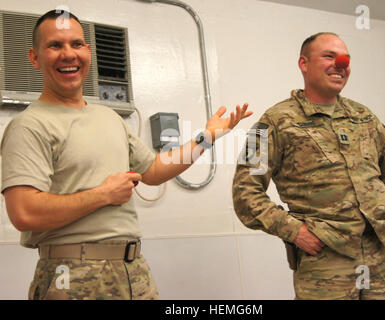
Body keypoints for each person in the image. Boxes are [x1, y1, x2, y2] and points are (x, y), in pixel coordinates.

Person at [0, 9, 252, 300]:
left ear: (88, 52)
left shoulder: (109, 117)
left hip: (133, 270)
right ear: (34, 57)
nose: (68, 54)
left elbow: (154, 171)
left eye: (76, 44)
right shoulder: (29, 125)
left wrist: (205, 138)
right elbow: (24, 212)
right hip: (70, 274)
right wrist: (103, 194)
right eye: (55, 45)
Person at [232, 32, 385, 300]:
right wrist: (295, 232)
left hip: (381, 262)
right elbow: (245, 194)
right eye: (329, 56)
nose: (341, 64)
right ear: (304, 64)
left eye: (346, 59)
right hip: (324, 265)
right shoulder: (273, 122)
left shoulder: (365, 117)